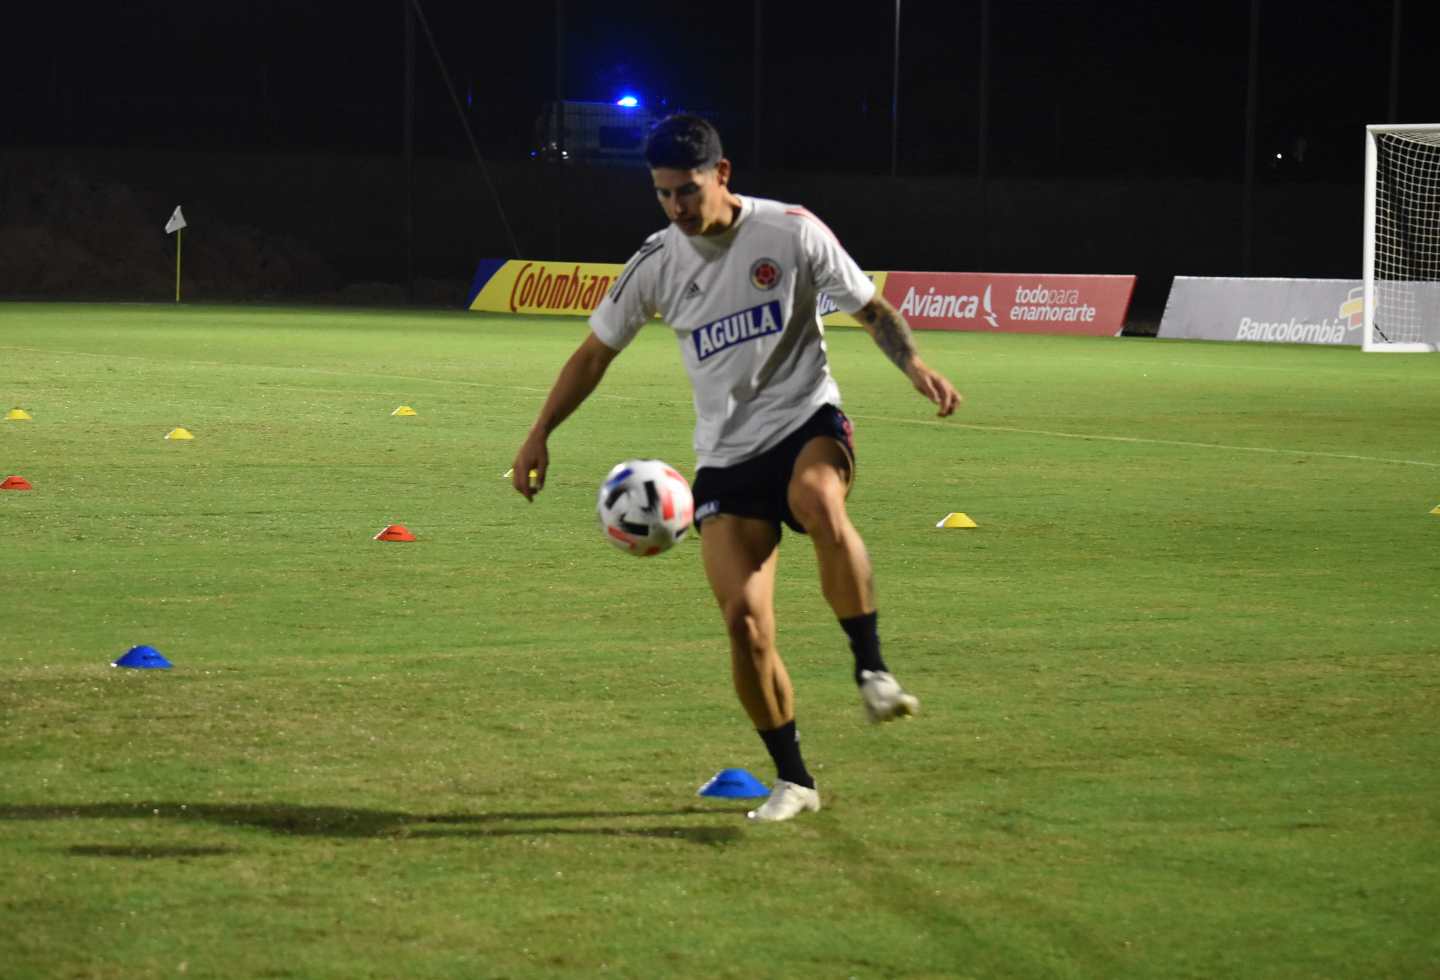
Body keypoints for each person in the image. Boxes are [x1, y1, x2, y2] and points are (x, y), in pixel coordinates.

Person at [512, 114, 961, 822]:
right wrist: (539, 433)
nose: (675, 208)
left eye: (686, 191)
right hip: (725, 457)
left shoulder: (791, 232)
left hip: (806, 419)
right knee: (745, 626)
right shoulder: (657, 261)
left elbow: (870, 308)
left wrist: (914, 365)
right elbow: (594, 354)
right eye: (662, 194)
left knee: (819, 497)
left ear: (721, 175)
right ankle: (795, 780)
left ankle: (871, 667)